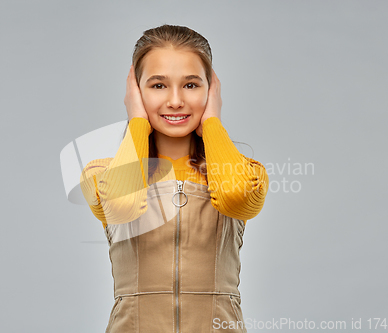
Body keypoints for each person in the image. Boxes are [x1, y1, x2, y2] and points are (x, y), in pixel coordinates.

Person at [80, 24, 269, 333]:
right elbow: (122, 204)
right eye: (158, 85)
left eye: (191, 85)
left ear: (212, 90)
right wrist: (138, 121)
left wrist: (212, 123)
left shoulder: (245, 172)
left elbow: (236, 196)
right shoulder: (102, 174)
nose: (176, 100)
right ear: (135, 91)